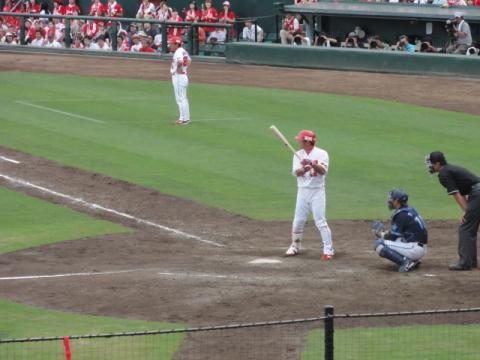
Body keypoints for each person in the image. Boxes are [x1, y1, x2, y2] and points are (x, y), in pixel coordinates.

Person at [426, 151, 480, 270]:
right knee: (470, 226)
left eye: (431, 163)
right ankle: (470, 261)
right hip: (476, 192)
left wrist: (466, 212)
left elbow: (456, 194)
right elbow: (462, 191)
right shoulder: (449, 169)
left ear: (438, 163)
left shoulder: (443, 174)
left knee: (465, 227)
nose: (430, 166)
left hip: (477, 193)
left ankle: (465, 262)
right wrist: (467, 211)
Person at [286, 130, 334, 260]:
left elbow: (323, 171)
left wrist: (312, 163)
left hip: (317, 191)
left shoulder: (322, 153)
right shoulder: (297, 155)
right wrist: (304, 168)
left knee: (320, 221)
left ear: (307, 141)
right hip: (302, 191)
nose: (298, 142)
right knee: (298, 221)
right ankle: (295, 246)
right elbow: (296, 173)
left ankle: (328, 250)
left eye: (300, 140)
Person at [372, 190, 428, 273]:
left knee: (379, 244)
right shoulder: (409, 210)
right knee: (393, 240)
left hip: (415, 248)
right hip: (418, 246)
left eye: (392, 199)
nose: (390, 201)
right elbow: (397, 235)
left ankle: (405, 261)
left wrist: (380, 233)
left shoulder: (401, 215)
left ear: (397, 201)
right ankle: (413, 259)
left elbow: (392, 236)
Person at [170, 37, 191, 125]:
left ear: (176, 44)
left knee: (180, 99)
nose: (170, 45)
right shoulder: (183, 51)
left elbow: (181, 62)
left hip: (179, 77)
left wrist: (178, 70)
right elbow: (189, 60)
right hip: (183, 76)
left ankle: (182, 118)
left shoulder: (178, 52)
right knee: (183, 98)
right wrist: (184, 69)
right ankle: (186, 118)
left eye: (171, 43)